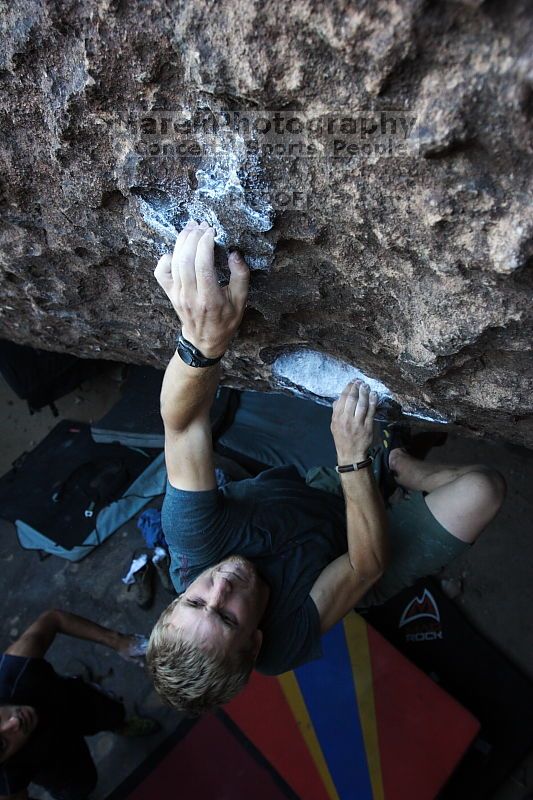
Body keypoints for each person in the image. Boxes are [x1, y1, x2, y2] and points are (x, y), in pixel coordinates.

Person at [147, 220, 506, 714]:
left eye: (194, 600)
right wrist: (354, 461)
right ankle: (395, 463)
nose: (220, 588)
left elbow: (183, 426)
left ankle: (395, 464)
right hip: (357, 558)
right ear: (252, 643)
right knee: (483, 489)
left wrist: (201, 343)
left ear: (176, 598)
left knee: (371, 466)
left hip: (315, 499)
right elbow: (365, 566)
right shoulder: (278, 648)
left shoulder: (193, 540)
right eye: (227, 617)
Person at [0, 609, 156, 800]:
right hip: (55, 761)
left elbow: (53, 619)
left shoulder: (14, 672)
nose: (15, 721)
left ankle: (120, 724)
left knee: (112, 711)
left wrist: (116, 640)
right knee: (82, 786)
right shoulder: (6, 780)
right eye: (2, 743)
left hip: (73, 701)